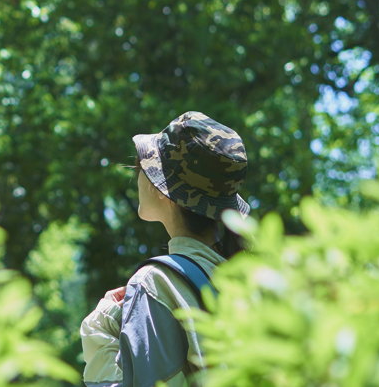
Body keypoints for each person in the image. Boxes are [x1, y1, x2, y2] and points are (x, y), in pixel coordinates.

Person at [80, 111, 251, 387]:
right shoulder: (247, 282)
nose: (138, 176)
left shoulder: (155, 284)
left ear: (162, 189)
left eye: (142, 167)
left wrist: (97, 330)